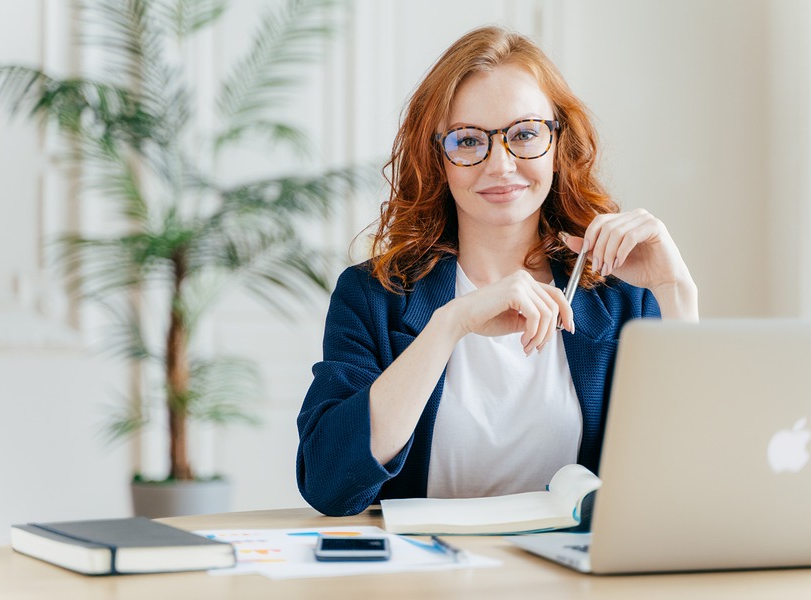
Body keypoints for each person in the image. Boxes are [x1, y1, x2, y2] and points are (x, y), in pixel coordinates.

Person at [296, 26, 698, 517]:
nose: (501, 165)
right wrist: (450, 325)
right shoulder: (373, 295)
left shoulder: (616, 296)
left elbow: (683, 479)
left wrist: (674, 291)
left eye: (525, 134)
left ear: (558, 142)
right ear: (437, 157)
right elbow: (327, 483)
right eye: (468, 140)